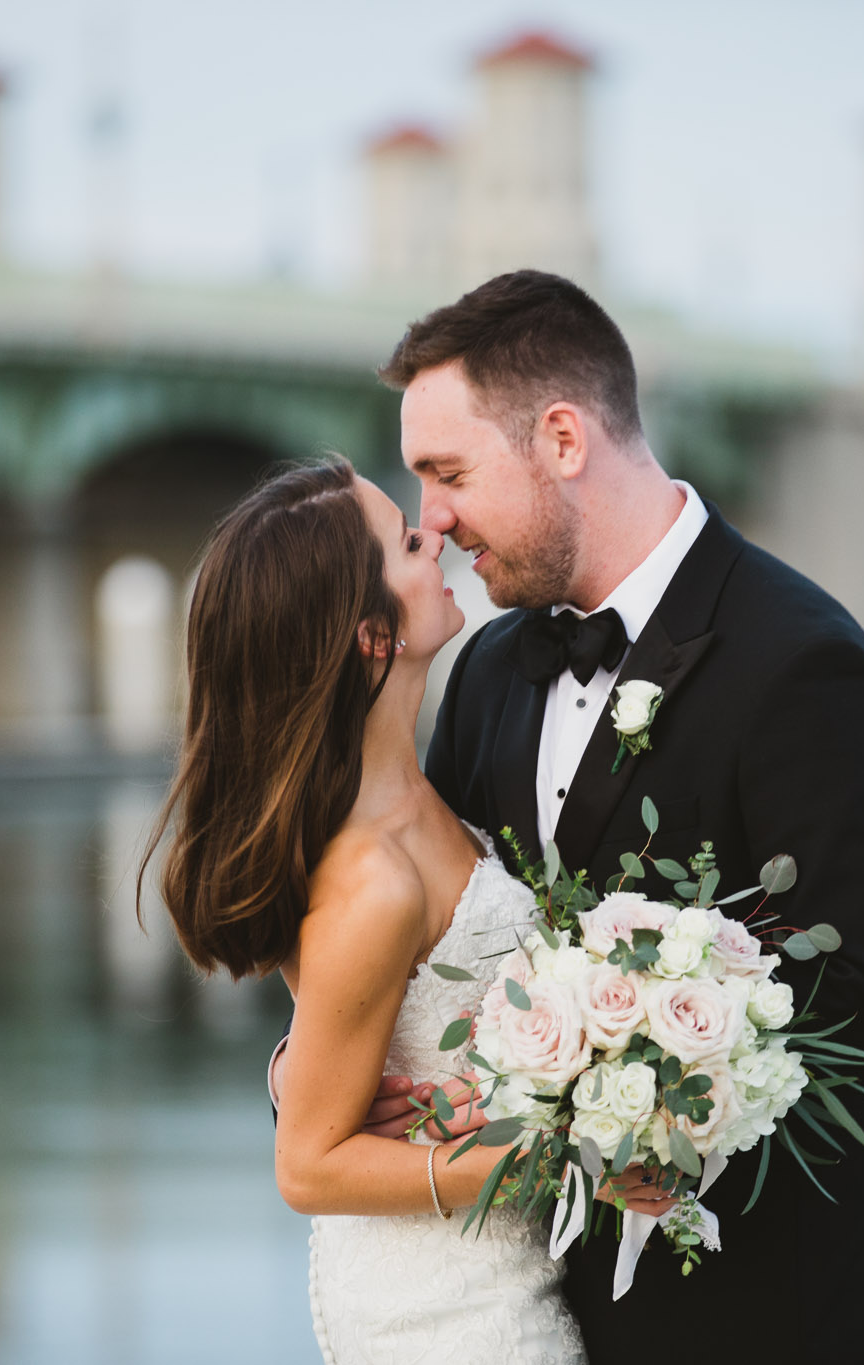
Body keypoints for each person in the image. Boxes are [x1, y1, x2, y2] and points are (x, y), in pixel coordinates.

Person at [279, 269, 864, 1361]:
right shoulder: (486, 673)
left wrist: (616, 1079)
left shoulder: (802, 663)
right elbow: (433, 959)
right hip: (552, 1316)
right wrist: (334, 1083)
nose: (436, 518)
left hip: (788, 1316)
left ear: (562, 438)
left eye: (448, 472)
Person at [144, 456, 592, 1363]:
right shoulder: (370, 882)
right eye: (406, 540)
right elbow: (306, 1164)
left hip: (493, 1279)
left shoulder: (410, 796)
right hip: (452, 1319)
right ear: (369, 634)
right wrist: (562, 1163)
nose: (436, 539)